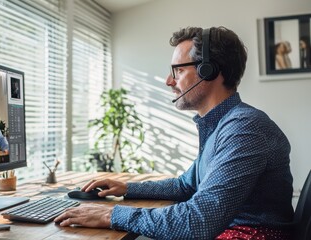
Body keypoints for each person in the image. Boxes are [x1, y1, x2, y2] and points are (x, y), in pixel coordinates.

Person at [54, 26, 294, 239]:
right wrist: (126, 188)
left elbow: (198, 221)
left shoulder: (244, 129)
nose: (169, 80)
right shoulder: (222, 126)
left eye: (177, 70)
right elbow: (185, 186)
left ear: (209, 71)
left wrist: (110, 215)